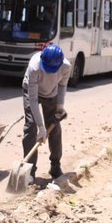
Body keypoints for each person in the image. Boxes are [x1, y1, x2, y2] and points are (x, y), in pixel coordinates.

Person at [22, 44, 71, 182]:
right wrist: (41, 127)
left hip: (51, 94)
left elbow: (62, 85)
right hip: (31, 91)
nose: (49, 72)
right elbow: (32, 100)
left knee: (54, 128)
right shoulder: (34, 67)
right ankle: (29, 170)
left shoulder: (66, 66)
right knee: (30, 127)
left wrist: (60, 107)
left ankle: (55, 166)